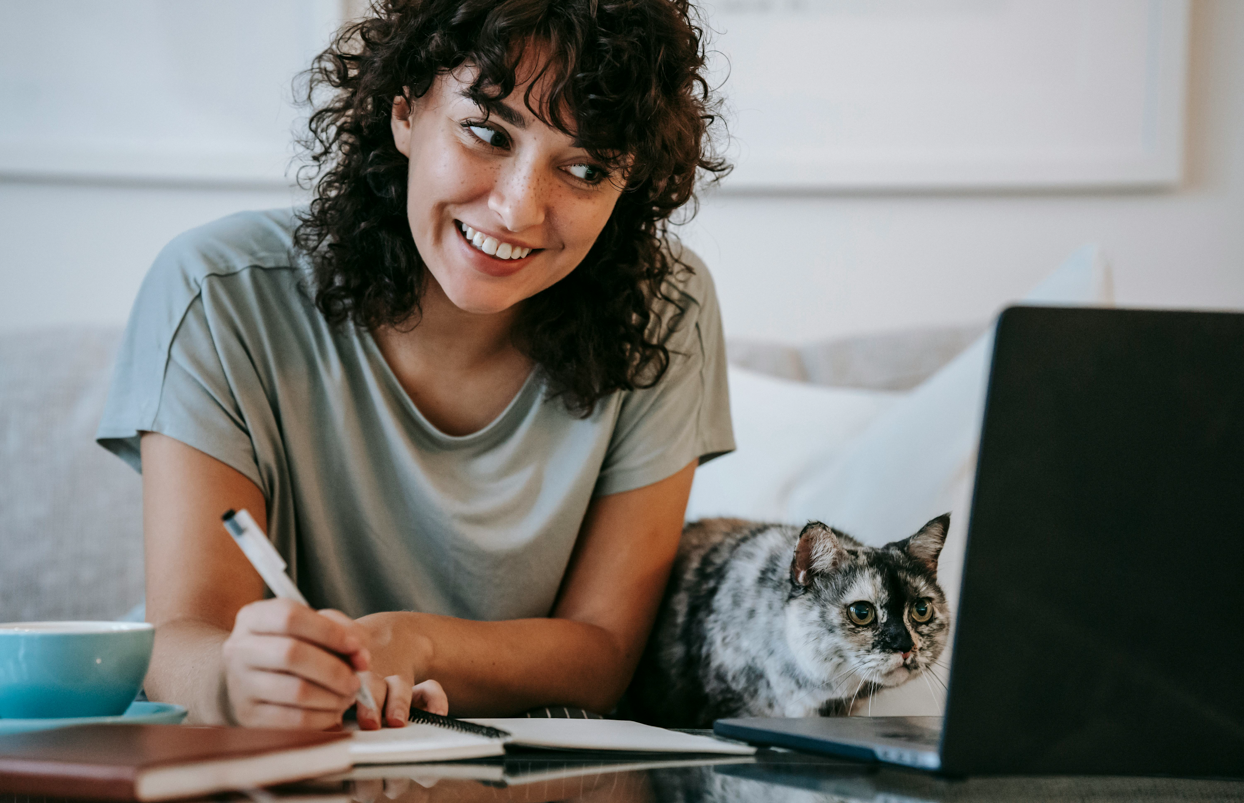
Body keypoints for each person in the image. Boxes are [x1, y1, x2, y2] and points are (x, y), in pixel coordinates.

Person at [97, 0, 732, 730]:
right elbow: (184, 637)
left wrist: (415, 642)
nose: (518, 209)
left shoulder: (665, 309)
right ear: (404, 112)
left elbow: (603, 652)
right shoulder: (216, 294)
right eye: (487, 131)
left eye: (585, 168)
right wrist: (238, 680)